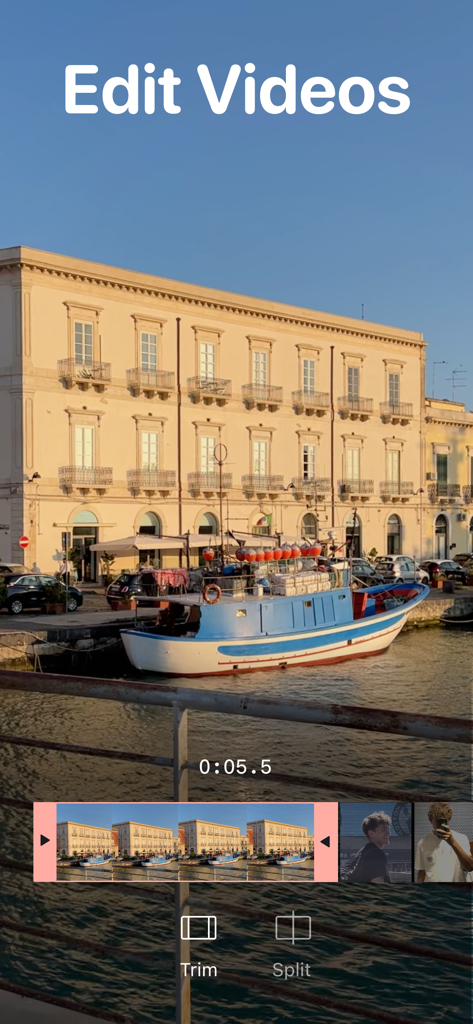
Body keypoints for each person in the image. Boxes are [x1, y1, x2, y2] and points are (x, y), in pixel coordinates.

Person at [415, 802, 473, 882]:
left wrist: (452, 842)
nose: (441, 825)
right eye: (437, 821)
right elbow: (422, 872)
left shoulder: (461, 838)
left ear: (449, 819)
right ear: (430, 820)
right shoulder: (422, 842)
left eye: (443, 821)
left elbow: (470, 867)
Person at [343, 811, 392, 883]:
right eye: (383, 829)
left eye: (388, 829)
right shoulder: (376, 854)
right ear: (371, 833)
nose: (388, 833)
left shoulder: (363, 851)